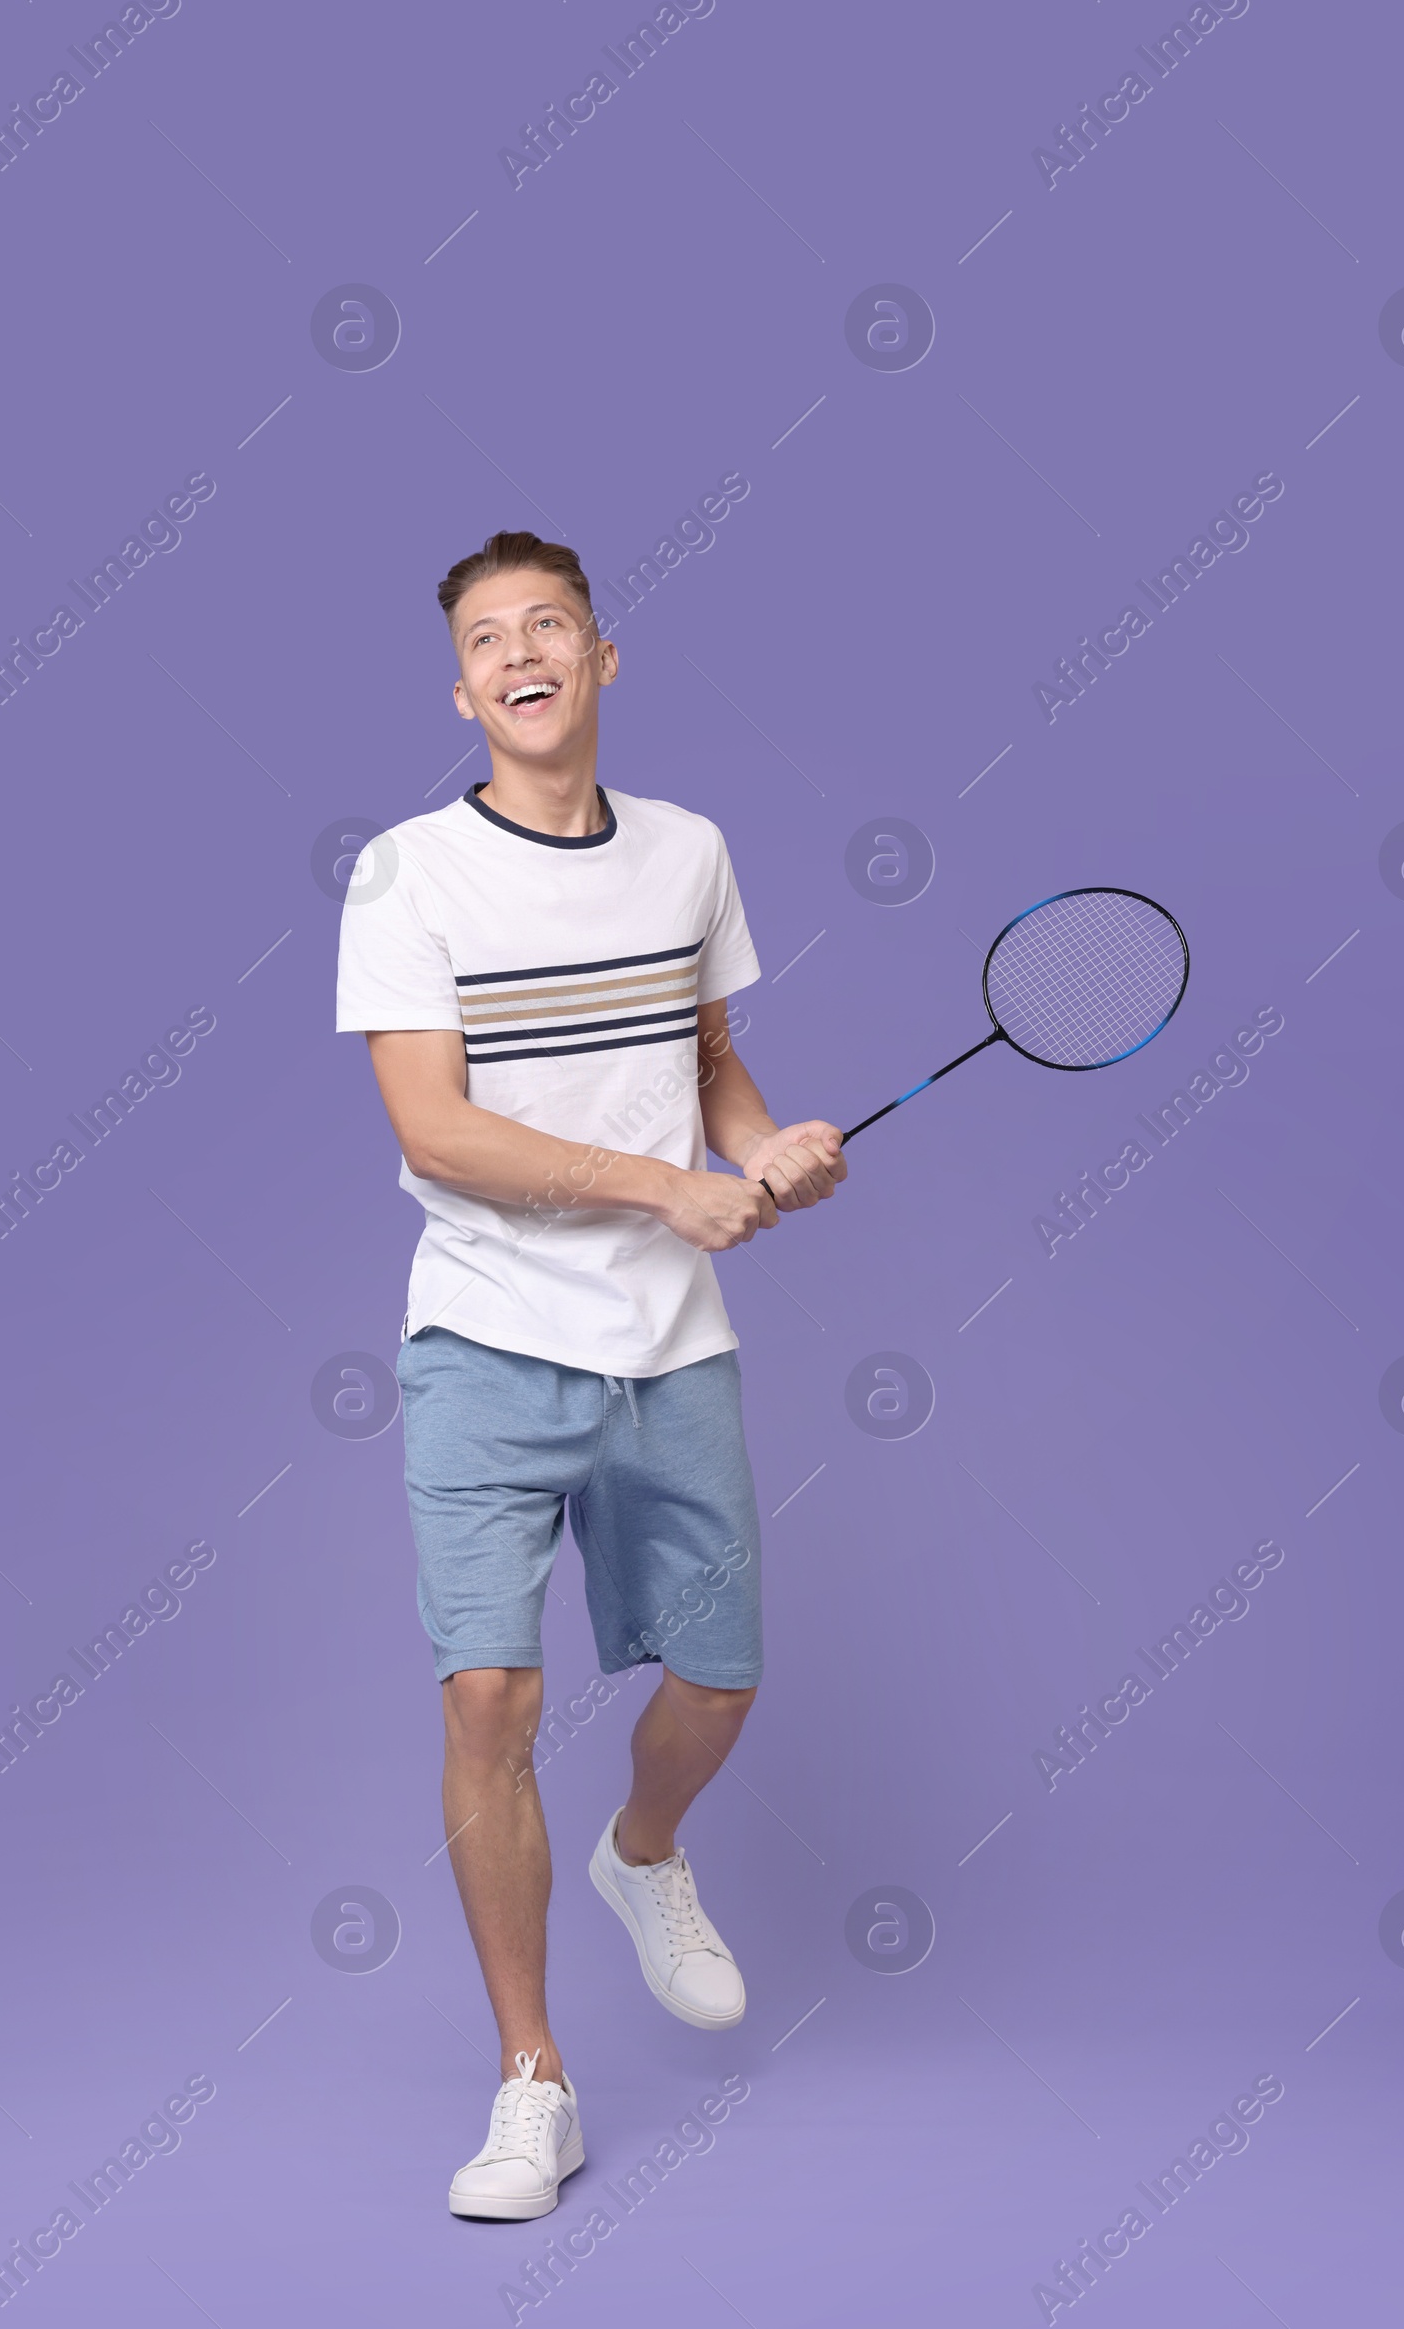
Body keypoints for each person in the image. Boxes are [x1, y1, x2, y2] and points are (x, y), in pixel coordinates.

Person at [335, 530, 846, 2220]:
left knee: (720, 1684)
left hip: (668, 1348)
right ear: (465, 687)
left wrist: (767, 1147)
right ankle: (531, 2084)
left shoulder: (690, 852)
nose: (521, 650)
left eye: (549, 622)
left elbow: (701, 1051)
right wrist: (663, 1187)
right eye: (489, 637)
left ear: (603, 661)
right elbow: (437, 1126)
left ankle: (645, 1857)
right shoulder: (409, 873)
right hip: (480, 1338)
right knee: (491, 1700)